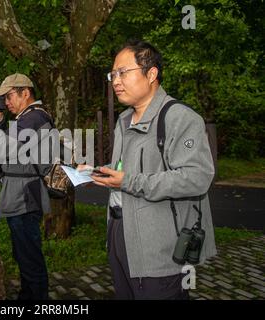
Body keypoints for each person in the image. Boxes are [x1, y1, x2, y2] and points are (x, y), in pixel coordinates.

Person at [88, 40, 217, 299]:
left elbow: (197, 178)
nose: (115, 81)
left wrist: (129, 181)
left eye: (123, 72)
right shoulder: (124, 120)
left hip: (158, 246)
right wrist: (99, 172)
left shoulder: (180, 118)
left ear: (152, 73)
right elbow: (126, 170)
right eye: (112, 74)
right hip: (119, 232)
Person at [0, 73, 53, 300]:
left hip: (24, 198)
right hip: (21, 195)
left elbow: (1, 148)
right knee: (24, 255)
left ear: (26, 92)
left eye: (10, 96)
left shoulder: (33, 118)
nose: (6, 102)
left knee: (29, 258)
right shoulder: (28, 118)